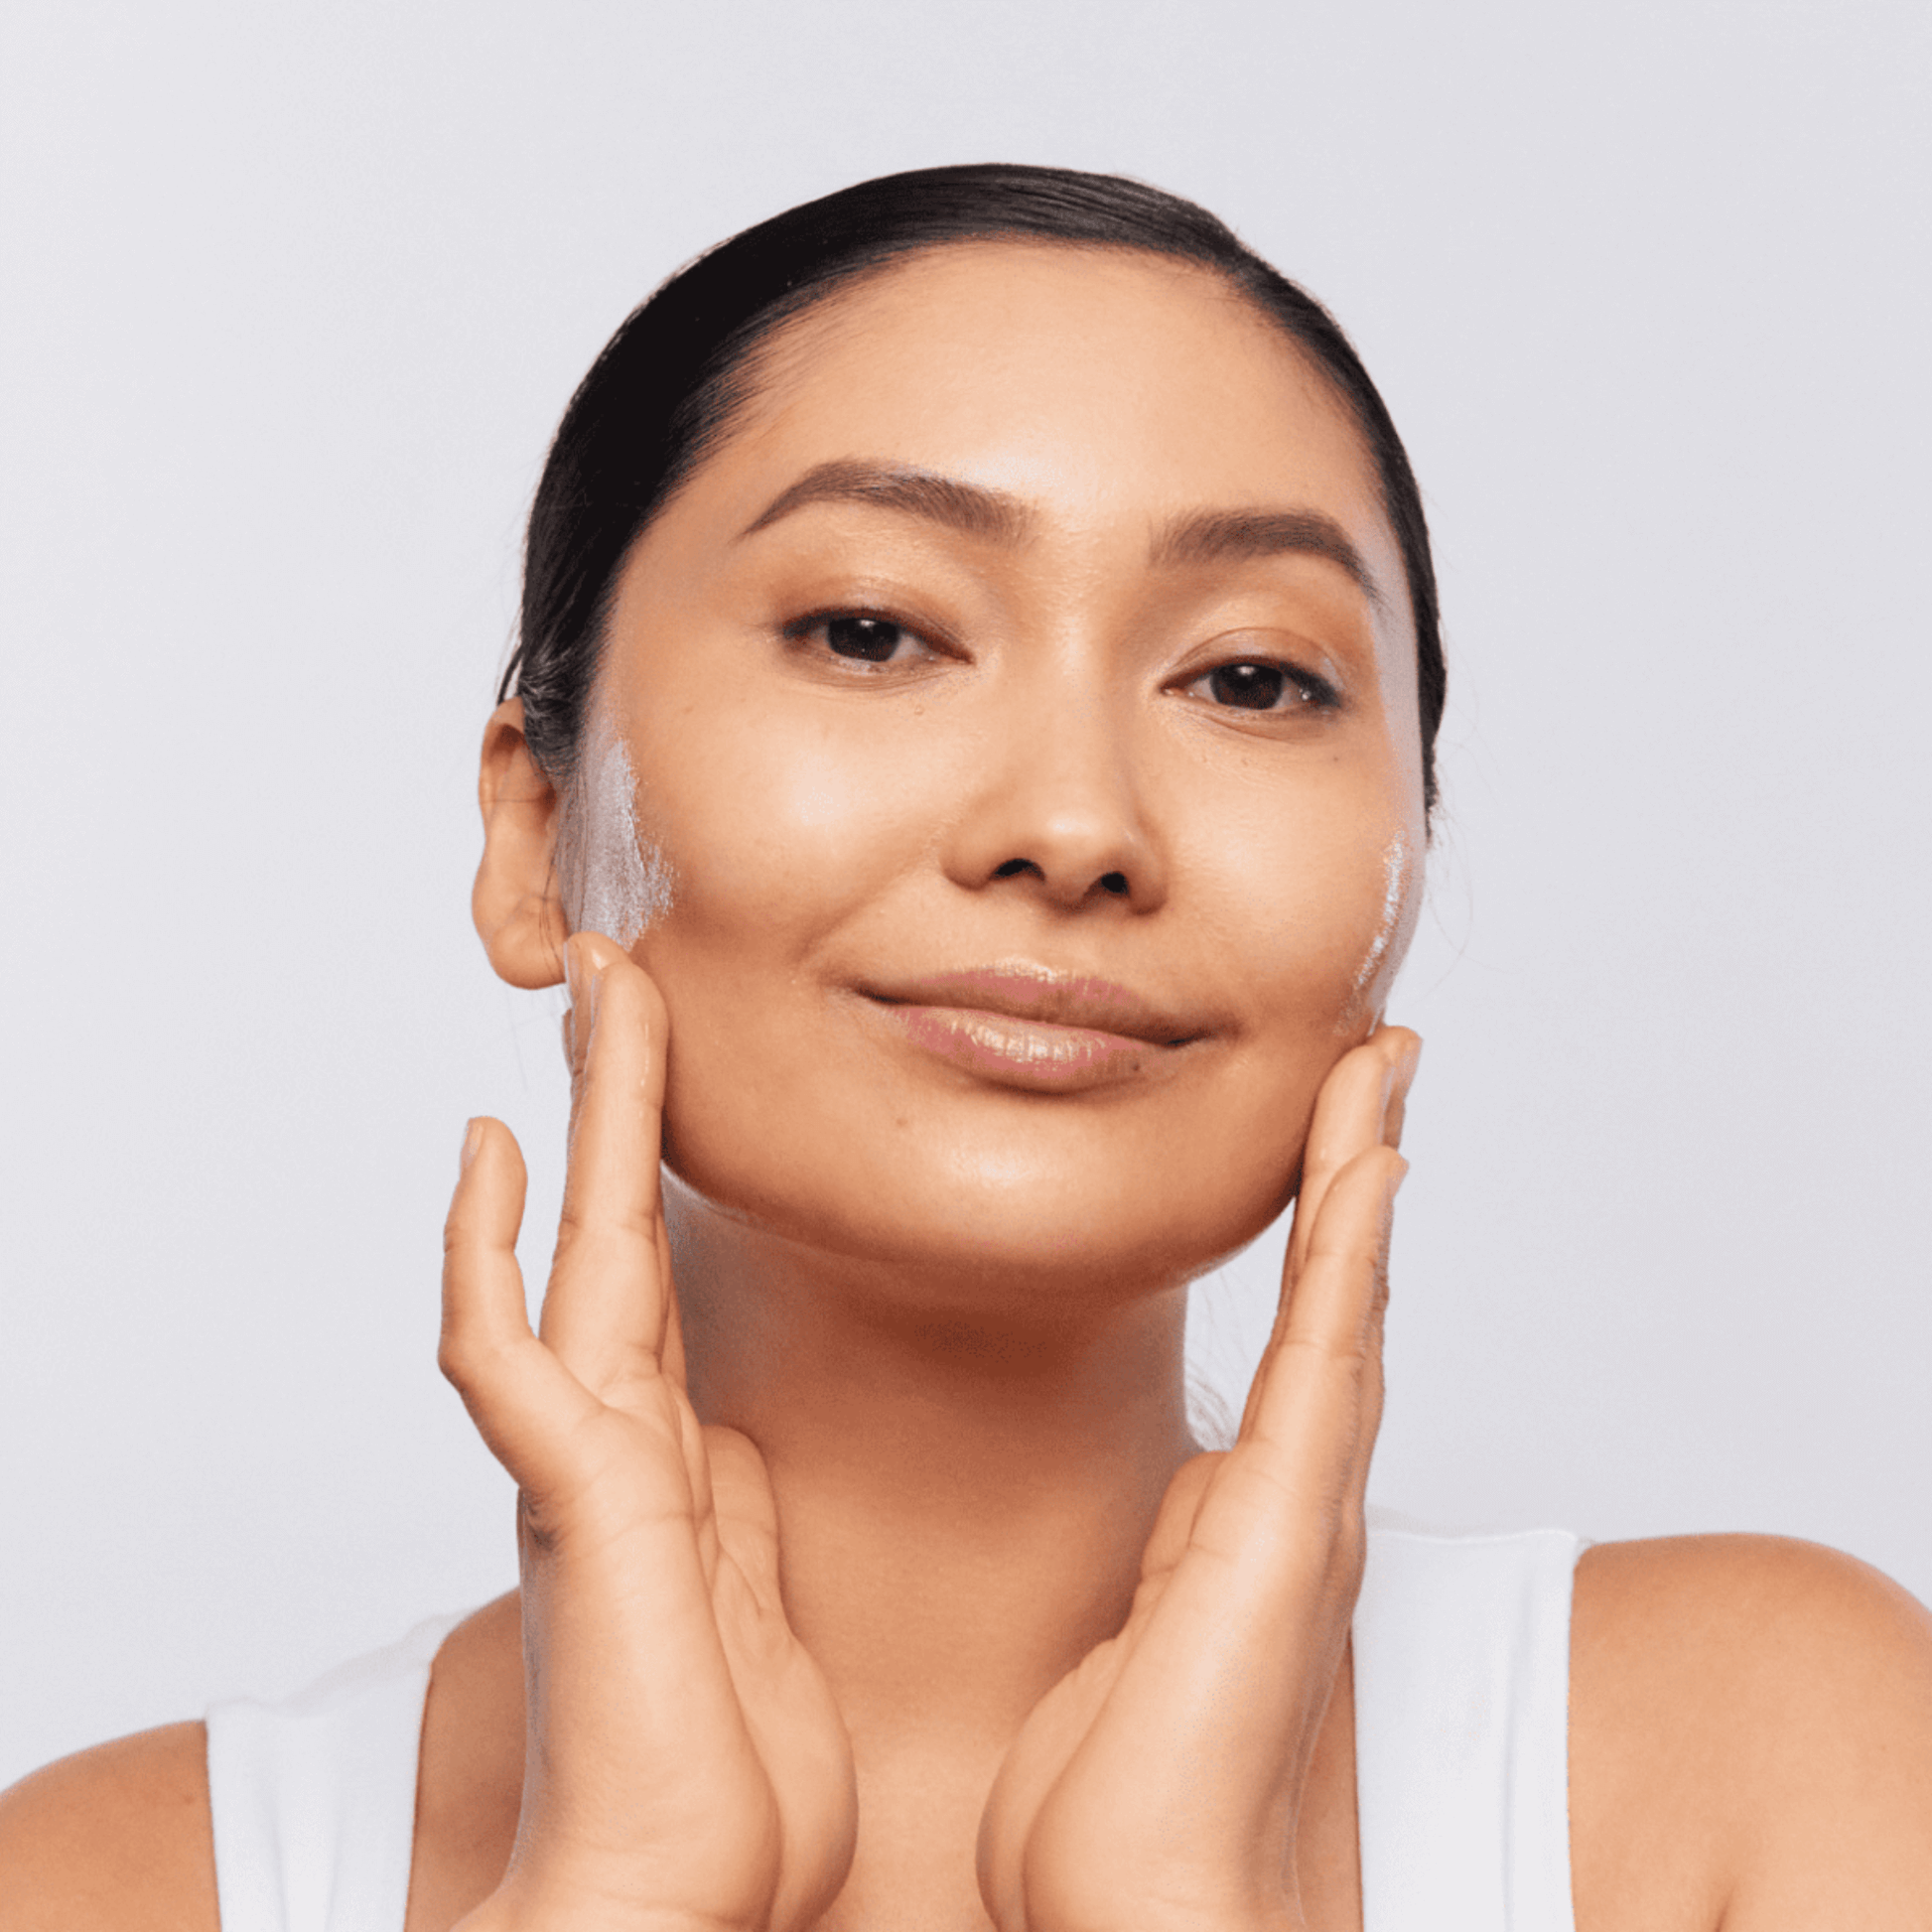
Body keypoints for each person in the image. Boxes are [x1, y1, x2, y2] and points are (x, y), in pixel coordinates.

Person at [3, 163, 1928, 1932]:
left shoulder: (1775, 1774)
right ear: (532, 831)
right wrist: (614, 1897)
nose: (1073, 819)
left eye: (1249, 676)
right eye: (870, 630)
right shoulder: (112, 1883)